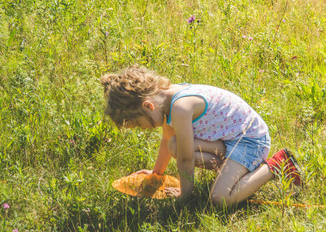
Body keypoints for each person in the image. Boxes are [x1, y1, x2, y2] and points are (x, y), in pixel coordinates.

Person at [101, 65, 302, 207]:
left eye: (138, 124)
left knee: (220, 200)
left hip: (250, 141)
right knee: (174, 145)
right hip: (228, 141)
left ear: (147, 106)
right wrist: (157, 173)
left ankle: (277, 164)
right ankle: (233, 170)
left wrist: (185, 196)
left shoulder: (180, 107)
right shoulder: (166, 99)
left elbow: (187, 159)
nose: (142, 129)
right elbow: (167, 139)